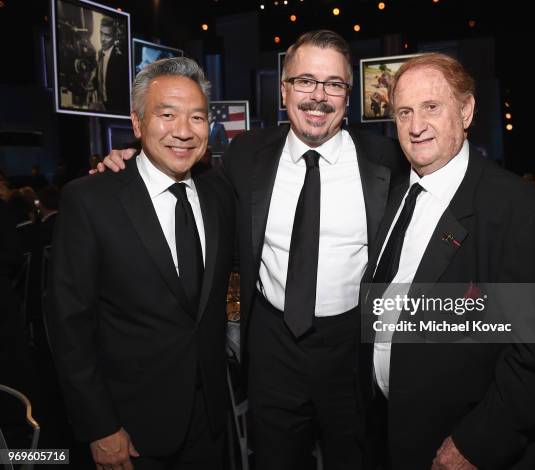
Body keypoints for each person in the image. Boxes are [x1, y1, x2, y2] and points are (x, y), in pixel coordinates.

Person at [97, 29, 408, 470]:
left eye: (333, 84)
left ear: (348, 95)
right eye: (305, 81)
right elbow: (177, 160)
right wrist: (128, 161)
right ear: (284, 89)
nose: (318, 96)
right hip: (271, 350)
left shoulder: (387, 161)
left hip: (352, 352)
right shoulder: (247, 155)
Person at [362, 53, 535, 469]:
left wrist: (475, 444)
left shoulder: (517, 209)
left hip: (463, 450)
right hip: (391, 435)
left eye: (431, 108)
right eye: (404, 112)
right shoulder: (394, 197)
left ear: (466, 110)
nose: (415, 125)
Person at [47, 57, 235, 470]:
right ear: (137, 123)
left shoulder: (219, 193)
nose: (184, 131)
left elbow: (228, 280)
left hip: (209, 420)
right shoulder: (91, 200)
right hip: (131, 430)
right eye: (167, 115)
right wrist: (99, 427)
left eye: (197, 117)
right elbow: (68, 326)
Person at [96, 16, 129, 114]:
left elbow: (121, 93)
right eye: (101, 33)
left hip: (115, 111)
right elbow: (102, 78)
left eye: (107, 35)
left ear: (114, 36)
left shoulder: (121, 59)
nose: (102, 39)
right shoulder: (100, 53)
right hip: (101, 109)